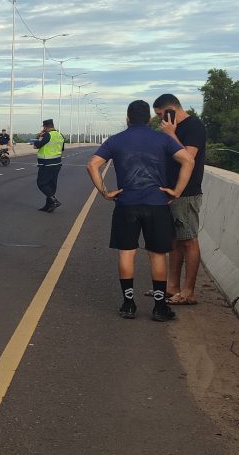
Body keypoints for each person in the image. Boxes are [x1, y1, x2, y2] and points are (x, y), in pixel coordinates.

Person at [86, 100, 195, 322]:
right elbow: (188, 161)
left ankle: (128, 304)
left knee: (127, 253)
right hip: (156, 204)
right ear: (148, 118)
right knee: (157, 255)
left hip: (126, 204)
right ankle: (159, 307)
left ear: (127, 118)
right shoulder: (162, 138)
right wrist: (176, 191)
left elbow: (92, 165)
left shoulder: (116, 140)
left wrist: (105, 192)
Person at [153, 93, 207, 305]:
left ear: (171, 111)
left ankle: (188, 291)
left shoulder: (194, 126)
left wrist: (171, 134)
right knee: (174, 241)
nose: (160, 119)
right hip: (170, 191)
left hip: (186, 193)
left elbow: (188, 158)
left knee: (188, 240)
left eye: (161, 114)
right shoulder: (171, 129)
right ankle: (172, 287)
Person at [34, 119, 65, 212]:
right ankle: (48, 205)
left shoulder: (47, 135)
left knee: (41, 183)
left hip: (46, 163)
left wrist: (40, 137)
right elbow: (62, 149)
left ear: (45, 127)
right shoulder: (60, 135)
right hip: (57, 163)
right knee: (51, 184)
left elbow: (36, 146)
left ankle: (53, 200)